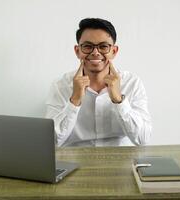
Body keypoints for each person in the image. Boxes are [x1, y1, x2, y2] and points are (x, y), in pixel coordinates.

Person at [45, 18, 152, 147]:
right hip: (75, 160)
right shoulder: (60, 86)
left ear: (114, 51)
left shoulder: (132, 83)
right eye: (87, 46)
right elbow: (52, 141)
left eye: (103, 46)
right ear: (77, 51)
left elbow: (143, 140)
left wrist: (119, 100)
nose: (95, 52)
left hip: (121, 160)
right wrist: (75, 100)